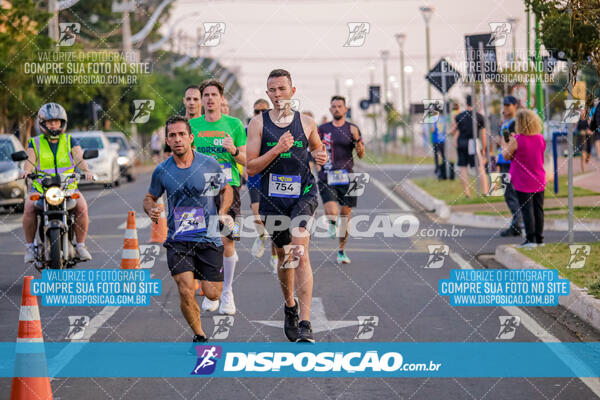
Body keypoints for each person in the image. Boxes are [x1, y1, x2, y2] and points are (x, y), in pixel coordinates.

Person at [246, 69, 328, 343]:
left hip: (303, 195)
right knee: (283, 256)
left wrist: (321, 156)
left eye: (283, 88)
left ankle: (305, 322)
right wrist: (276, 150)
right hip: (272, 199)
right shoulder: (258, 125)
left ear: (293, 91)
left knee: (299, 251)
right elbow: (251, 166)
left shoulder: (306, 123)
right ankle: (290, 306)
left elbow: (317, 149)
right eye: (273, 90)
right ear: (267, 94)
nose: (278, 94)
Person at [144, 115, 233, 344]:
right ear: (167, 140)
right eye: (172, 135)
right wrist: (151, 209)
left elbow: (225, 190)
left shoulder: (208, 164)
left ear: (190, 138)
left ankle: (207, 280)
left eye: (182, 134)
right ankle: (200, 335)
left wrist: (222, 211)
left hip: (209, 238)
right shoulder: (162, 171)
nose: (177, 139)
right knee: (185, 289)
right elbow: (150, 197)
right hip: (178, 239)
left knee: (212, 293)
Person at [190, 79, 246, 315]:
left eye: (214, 95)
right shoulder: (192, 125)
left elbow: (247, 160)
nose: (210, 99)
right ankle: (210, 289)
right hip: (198, 190)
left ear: (222, 99)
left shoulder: (234, 124)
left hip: (227, 187)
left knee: (225, 241)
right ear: (201, 100)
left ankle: (227, 292)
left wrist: (233, 150)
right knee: (200, 241)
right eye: (206, 95)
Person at [21, 103, 94, 264]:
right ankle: (30, 247)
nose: (54, 124)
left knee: (82, 207)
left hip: (67, 188)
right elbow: (30, 161)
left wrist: (86, 170)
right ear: (42, 123)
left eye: (57, 121)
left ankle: (81, 245)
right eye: (50, 121)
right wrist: (26, 171)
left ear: (63, 122)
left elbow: (79, 159)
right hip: (41, 188)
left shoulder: (70, 140)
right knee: (28, 208)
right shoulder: (35, 142)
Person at [318, 96, 365, 264]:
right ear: (330, 110)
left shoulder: (353, 129)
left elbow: (360, 154)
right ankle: (331, 223)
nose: (336, 109)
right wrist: (317, 166)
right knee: (332, 212)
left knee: (346, 217)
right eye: (334, 106)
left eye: (339, 106)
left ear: (345, 109)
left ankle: (341, 251)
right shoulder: (322, 129)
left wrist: (358, 141)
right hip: (327, 175)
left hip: (348, 176)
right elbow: (314, 150)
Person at [502, 109, 546, 248]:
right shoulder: (540, 138)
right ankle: (539, 239)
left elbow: (506, 156)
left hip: (523, 181)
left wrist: (506, 142)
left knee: (527, 210)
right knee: (538, 210)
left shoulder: (517, 140)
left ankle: (530, 239)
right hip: (539, 178)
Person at [248, 99, 279, 272]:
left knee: (275, 224)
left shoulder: (276, 130)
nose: (260, 114)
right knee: (257, 215)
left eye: (264, 111)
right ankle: (261, 237)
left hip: (274, 179)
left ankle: (275, 258)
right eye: (256, 111)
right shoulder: (248, 130)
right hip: (256, 178)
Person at [450, 95, 489, 197]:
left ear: (466, 103)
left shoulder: (459, 117)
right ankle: (485, 192)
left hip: (461, 142)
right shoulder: (479, 117)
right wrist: (483, 149)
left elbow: (453, 131)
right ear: (475, 103)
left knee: (463, 168)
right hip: (473, 143)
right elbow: (483, 135)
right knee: (480, 167)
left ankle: (467, 193)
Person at [495, 95, 523, 237]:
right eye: (504, 105)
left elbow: (514, 142)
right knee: (507, 193)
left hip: (511, 161)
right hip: (502, 160)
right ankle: (516, 222)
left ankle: (517, 223)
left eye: (508, 105)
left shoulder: (516, 122)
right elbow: (502, 141)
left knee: (511, 192)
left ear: (515, 106)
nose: (505, 107)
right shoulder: (505, 123)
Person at [575, 108, 592, 172]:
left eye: (583, 111)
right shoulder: (578, 121)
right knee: (583, 154)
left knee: (588, 155)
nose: (582, 112)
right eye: (580, 111)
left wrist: (587, 131)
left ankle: (588, 158)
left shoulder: (588, 120)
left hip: (588, 140)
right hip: (581, 140)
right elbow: (576, 130)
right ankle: (583, 170)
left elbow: (591, 131)